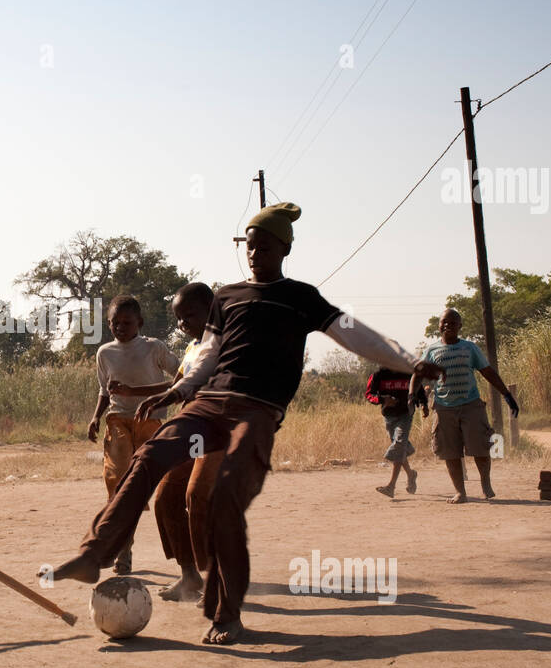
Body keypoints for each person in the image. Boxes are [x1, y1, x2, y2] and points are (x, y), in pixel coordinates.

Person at [47, 202, 445, 645]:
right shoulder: (227, 297)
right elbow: (209, 355)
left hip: (256, 411)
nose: (254, 254)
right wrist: (177, 392)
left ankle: (226, 615)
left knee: (223, 501)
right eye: (249, 246)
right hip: (208, 404)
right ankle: (93, 553)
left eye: (264, 246)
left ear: (285, 247)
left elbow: (356, 334)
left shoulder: (302, 298)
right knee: (149, 456)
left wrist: (410, 362)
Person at [123, 282, 223, 603]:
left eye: (189, 315)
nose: (182, 324)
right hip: (187, 433)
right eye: (178, 318)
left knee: (198, 496)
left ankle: (216, 578)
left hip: (216, 432)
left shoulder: (222, 345)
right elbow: (176, 384)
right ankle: (189, 575)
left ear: (211, 310)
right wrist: (141, 394)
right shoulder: (194, 349)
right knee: (166, 497)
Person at [87, 295, 181, 575]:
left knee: (140, 486)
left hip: (149, 421)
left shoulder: (154, 348)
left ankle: (181, 556)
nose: (120, 327)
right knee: (116, 485)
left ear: (139, 322)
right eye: (115, 323)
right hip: (118, 421)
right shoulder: (104, 353)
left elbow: (181, 378)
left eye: (126, 322)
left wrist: (136, 393)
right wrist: (95, 417)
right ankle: (122, 552)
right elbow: (105, 391)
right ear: (108, 324)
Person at [411, 308, 519, 504]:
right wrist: (413, 396)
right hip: (444, 408)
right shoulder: (432, 351)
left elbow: (487, 372)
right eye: (444, 322)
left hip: (471, 405)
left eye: (453, 323)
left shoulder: (470, 348)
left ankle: (485, 482)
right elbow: (418, 376)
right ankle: (460, 491)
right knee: (450, 452)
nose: (448, 326)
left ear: (460, 326)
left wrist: (506, 394)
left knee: (480, 447)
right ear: (439, 325)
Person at [366, 367, 428, 498]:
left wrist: (424, 404)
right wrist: (383, 399)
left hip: (406, 413)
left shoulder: (407, 372)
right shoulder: (379, 374)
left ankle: (391, 486)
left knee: (399, 444)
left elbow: (419, 388)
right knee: (400, 447)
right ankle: (411, 474)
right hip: (389, 416)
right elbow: (369, 394)